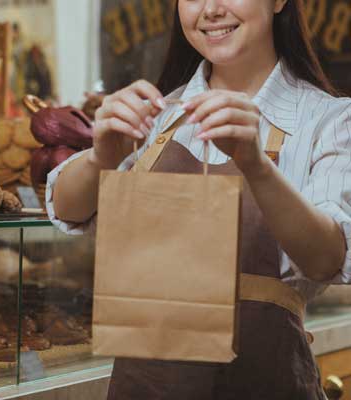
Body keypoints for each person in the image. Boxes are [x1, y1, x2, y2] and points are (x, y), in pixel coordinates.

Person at [47, 0, 350, 398]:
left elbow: (328, 257)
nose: (210, 9)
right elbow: (69, 209)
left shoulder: (329, 119)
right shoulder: (156, 117)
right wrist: (102, 156)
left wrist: (256, 166)